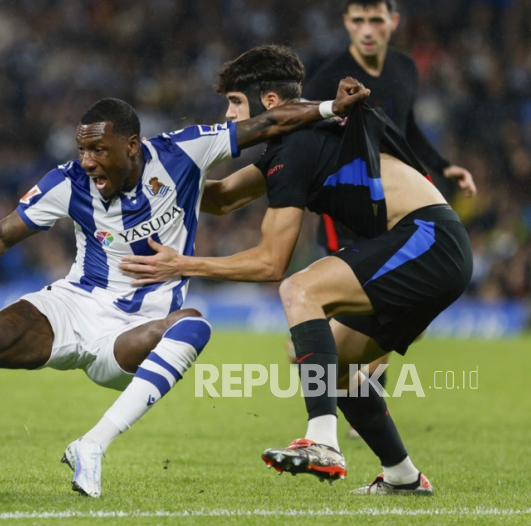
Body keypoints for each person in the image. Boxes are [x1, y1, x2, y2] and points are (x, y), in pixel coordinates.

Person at [0, 90, 368, 498]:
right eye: (82, 149)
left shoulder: (182, 152)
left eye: (98, 149)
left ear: (132, 147)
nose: (88, 160)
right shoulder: (68, 182)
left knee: (195, 324)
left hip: (131, 335)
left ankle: (91, 445)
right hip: (72, 305)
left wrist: (328, 108)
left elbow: (266, 124)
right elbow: (3, 234)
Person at [120, 44, 473, 495]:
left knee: (299, 290)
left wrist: (184, 265)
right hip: (429, 247)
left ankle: (323, 441)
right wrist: (151, 177)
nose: (227, 116)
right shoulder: (293, 143)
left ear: (268, 102)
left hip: (428, 240)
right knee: (338, 370)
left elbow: (272, 262)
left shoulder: (298, 145)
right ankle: (403, 475)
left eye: (233, 102)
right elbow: (224, 196)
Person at [298, 0, 478, 425]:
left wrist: (442, 164)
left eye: (376, 20)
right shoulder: (329, 76)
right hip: (352, 207)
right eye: (358, 20)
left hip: (397, 201)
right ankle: (339, 385)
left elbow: (408, 128)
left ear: (393, 22)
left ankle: (344, 381)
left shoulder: (404, 68)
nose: (367, 29)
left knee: (396, 311)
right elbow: (308, 137)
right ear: (346, 23)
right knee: (360, 307)